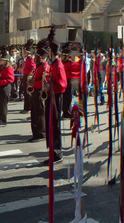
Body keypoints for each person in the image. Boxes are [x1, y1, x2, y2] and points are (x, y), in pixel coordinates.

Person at [43, 32, 67, 164]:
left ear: (53, 52)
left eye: (49, 51)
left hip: (56, 98)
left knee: (55, 126)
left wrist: (49, 87)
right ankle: (52, 152)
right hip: (51, 96)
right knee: (50, 125)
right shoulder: (53, 64)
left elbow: (63, 85)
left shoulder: (58, 65)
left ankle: (57, 153)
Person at [28, 40, 50, 142]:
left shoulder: (45, 66)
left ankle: (41, 134)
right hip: (35, 90)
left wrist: (34, 83)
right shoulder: (37, 67)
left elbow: (45, 80)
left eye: (36, 56)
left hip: (40, 91)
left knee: (40, 113)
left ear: (40, 57)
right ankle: (35, 132)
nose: (34, 58)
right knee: (34, 113)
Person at [0, 48, 15, 127]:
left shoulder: (9, 68)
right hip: (1, 86)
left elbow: (10, 79)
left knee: (3, 104)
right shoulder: (2, 67)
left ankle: (3, 120)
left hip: (5, 87)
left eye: (2, 60)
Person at [20, 40, 35, 114]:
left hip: (28, 77)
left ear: (28, 53)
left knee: (28, 93)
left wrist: (29, 77)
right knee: (25, 93)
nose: (23, 53)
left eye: (25, 52)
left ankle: (28, 108)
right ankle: (26, 108)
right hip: (25, 76)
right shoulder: (27, 59)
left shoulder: (30, 59)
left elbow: (32, 69)